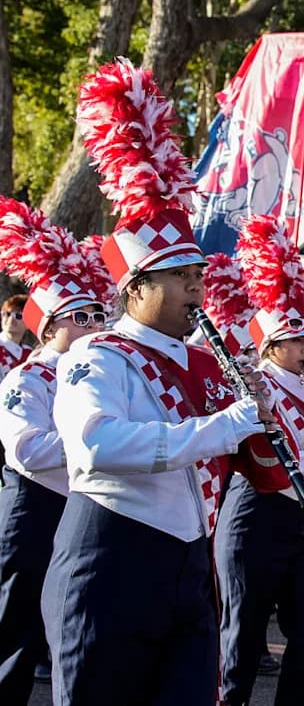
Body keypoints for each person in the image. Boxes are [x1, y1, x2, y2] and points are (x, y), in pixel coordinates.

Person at [42, 58, 273, 705]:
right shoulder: (99, 356)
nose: (196, 288)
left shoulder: (201, 361)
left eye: (198, 275)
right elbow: (96, 446)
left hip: (186, 564)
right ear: (136, 286)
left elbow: (243, 461)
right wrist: (218, 428)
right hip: (111, 556)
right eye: (180, 277)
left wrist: (255, 419)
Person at [215, 215, 304, 706]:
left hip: (303, 521)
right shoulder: (252, 382)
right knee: (243, 642)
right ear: (270, 344)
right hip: (256, 513)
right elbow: (265, 458)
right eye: (296, 341)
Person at [0, 199, 111, 702]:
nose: (95, 325)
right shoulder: (28, 377)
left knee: (71, 631)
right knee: (13, 633)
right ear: (48, 329)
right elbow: (27, 449)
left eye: (99, 315)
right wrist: (97, 443)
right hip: (34, 508)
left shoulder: (95, 377)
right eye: (82, 317)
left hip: (79, 510)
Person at [0, 294, 31, 379]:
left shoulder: (30, 355)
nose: (11, 319)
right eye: (7, 314)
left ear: (29, 322)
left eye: (18, 315)